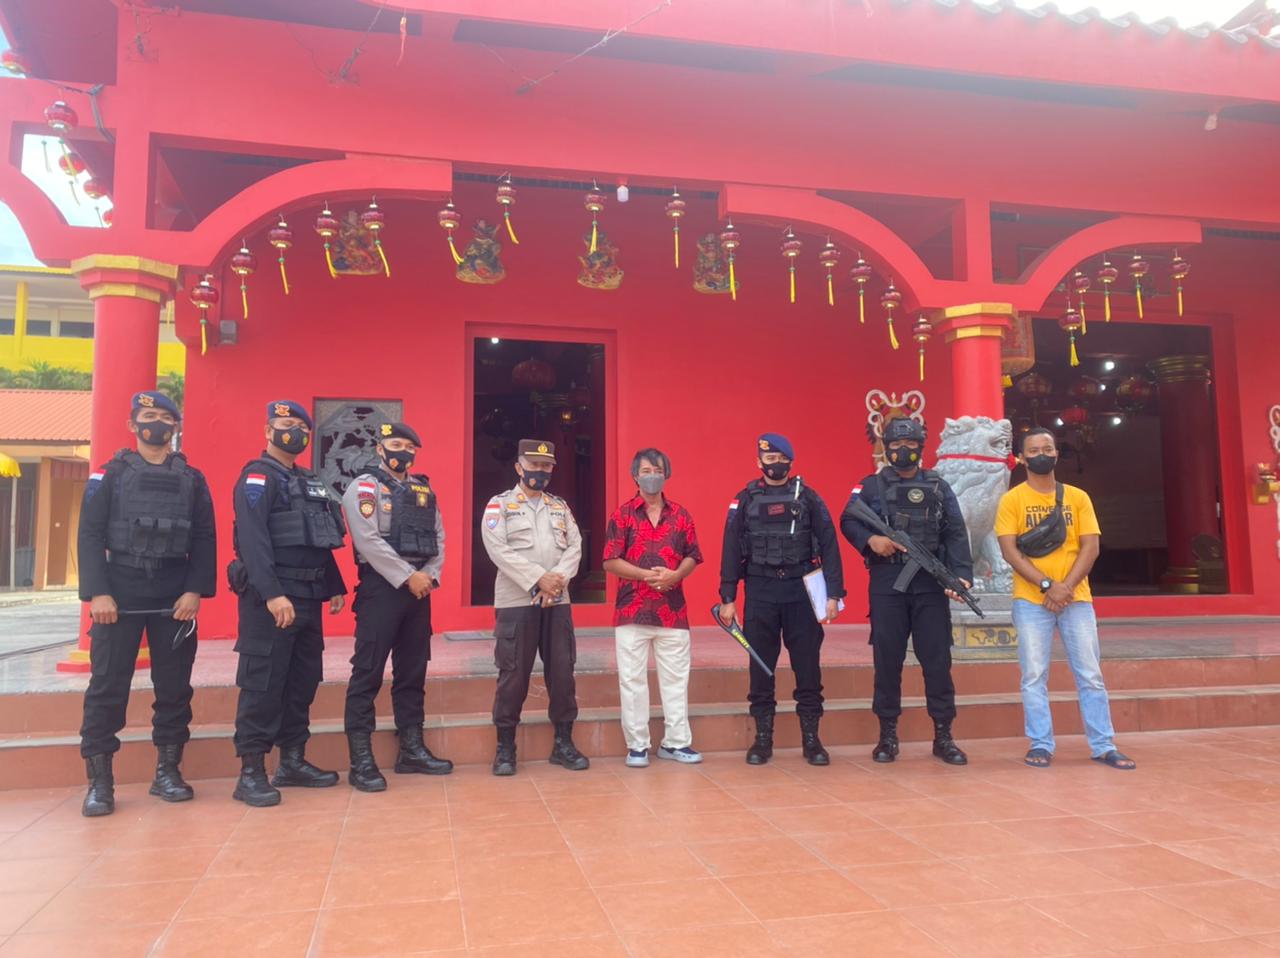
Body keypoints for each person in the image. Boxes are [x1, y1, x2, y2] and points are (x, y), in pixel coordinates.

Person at [77, 391, 216, 817]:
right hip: (119, 591)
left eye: (165, 417)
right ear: (132, 425)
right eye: (148, 415)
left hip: (174, 592)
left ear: (176, 426)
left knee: (174, 687)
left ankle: (167, 772)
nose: (157, 422)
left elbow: (204, 538)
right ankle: (100, 783)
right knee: (107, 687)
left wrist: (194, 590)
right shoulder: (109, 475)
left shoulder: (192, 479)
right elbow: (89, 534)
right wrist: (98, 593)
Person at [228, 400, 347, 807]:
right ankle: (251, 772)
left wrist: (334, 585)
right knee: (263, 684)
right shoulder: (257, 478)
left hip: (308, 597)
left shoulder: (309, 481)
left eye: (301, 426)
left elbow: (320, 536)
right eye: (285, 424)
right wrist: (272, 593)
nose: (294, 431)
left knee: (302, 682)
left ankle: (292, 762)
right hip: (272, 601)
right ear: (268, 431)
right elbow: (253, 541)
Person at [996, 426, 1135, 770]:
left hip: (1077, 599)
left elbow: (1090, 547)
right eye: (1033, 450)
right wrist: (1047, 585)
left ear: (1057, 454)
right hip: (1030, 601)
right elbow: (1010, 552)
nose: (1041, 455)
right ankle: (1041, 744)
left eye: (1047, 449)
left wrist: (1065, 587)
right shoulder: (1012, 500)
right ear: (1021, 458)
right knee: (1033, 675)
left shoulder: (1077, 497)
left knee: (1090, 674)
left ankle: (1103, 744)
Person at [840, 416, 973, 766]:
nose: (903, 450)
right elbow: (848, 519)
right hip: (888, 583)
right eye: (896, 445)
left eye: (910, 444)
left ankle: (944, 736)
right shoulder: (870, 486)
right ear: (886, 448)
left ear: (920, 446)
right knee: (888, 661)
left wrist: (961, 575)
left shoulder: (939, 485)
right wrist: (871, 540)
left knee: (937, 661)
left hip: (929, 585)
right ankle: (887, 736)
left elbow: (955, 530)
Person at [718, 433, 844, 766]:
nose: (776, 464)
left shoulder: (809, 498)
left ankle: (812, 740)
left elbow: (829, 544)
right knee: (761, 667)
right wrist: (728, 596)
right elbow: (730, 547)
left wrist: (834, 593)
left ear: (790, 461)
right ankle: (763, 740)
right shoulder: (745, 499)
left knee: (808, 666)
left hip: (800, 589)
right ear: (759, 462)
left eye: (781, 459)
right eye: (769, 459)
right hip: (760, 589)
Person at [341, 421, 452, 791]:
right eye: (396, 444)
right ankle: (361, 760)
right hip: (382, 588)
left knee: (413, 671)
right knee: (368, 672)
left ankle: (412, 749)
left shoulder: (423, 488)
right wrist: (407, 576)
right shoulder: (364, 488)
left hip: (420, 590)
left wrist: (429, 575)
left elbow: (438, 535)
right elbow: (368, 540)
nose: (403, 451)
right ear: (380, 448)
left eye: (409, 447)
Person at [481, 439, 587, 776]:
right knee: (513, 675)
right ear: (518, 467)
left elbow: (575, 546)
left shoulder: (560, 507)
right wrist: (538, 579)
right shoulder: (499, 506)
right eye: (534, 465)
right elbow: (497, 549)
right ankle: (505, 747)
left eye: (546, 466)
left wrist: (557, 581)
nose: (540, 471)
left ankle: (563, 743)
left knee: (563, 673)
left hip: (557, 600)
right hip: (517, 602)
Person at [603, 448, 704, 768]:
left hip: (672, 611)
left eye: (657, 470)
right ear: (635, 475)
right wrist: (645, 575)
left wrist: (676, 575)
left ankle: (676, 742)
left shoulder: (681, 515)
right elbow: (610, 561)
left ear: (666, 474)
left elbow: (693, 555)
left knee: (676, 680)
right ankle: (637, 746)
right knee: (632, 680)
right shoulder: (622, 515)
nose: (652, 476)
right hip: (632, 610)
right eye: (646, 471)